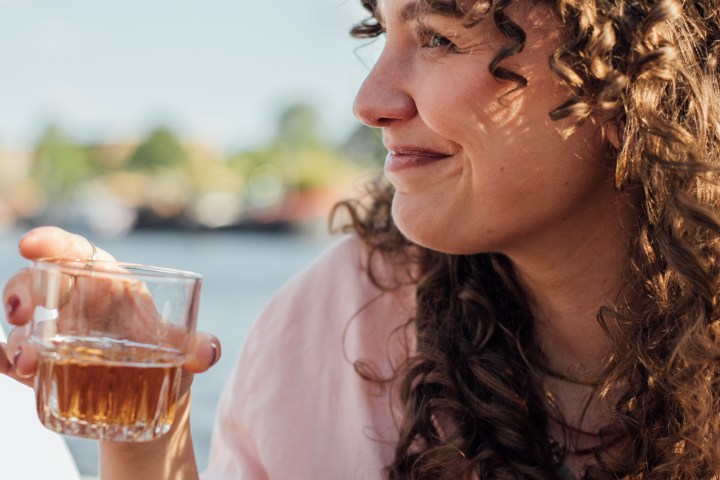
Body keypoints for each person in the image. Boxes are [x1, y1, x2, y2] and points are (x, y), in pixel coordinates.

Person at [3, 0, 720, 478]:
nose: (369, 101)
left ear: (630, 76)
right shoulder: (334, 318)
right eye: (383, 31)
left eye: (438, 36)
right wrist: (146, 420)